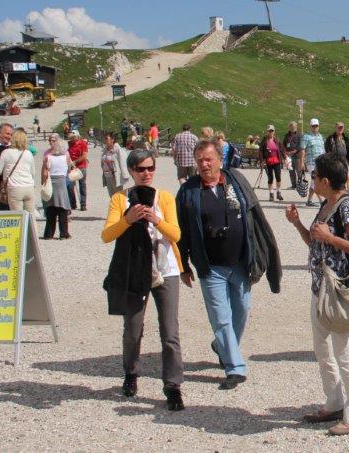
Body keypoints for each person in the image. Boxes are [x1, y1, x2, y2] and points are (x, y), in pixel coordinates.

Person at [176, 140, 281, 391]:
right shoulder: (189, 191)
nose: (204, 164)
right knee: (221, 318)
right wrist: (183, 265)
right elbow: (181, 231)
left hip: (241, 263)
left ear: (219, 160)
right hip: (210, 266)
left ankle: (220, 345)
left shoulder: (236, 181)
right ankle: (234, 367)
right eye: (200, 160)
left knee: (241, 312)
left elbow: (254, 215)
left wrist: (263, 251)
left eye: (208, 159)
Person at [285, 153, 349, 436]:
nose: (312, 181)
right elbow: (315, 243)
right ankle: (334, 402)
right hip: (320, 289)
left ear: (324, 180)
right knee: (322, 349)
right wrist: (298, 224)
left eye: (314, 176)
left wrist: (330, 238)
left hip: (340, 291)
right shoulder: (326, 204)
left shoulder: (348, 207)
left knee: (344, 352)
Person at [101, 149, 185, 411]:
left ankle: (173, 385)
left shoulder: (165, 198)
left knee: (170, 331)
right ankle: (131, 372)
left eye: (150, 168)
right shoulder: (120, 199)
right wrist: (128, 219)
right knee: (133, 328)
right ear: (131, 171)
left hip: (166, 269)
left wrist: (156, 219)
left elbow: (176, 234)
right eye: (140, 169)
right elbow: (107, 235)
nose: (146, 173)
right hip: (135, 270)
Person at [0, 129, 36, 213]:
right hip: (29, 187)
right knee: (31, 215)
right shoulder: (28, 153)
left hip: (15, 188)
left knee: (18, 215)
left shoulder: (6, 152)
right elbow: (33, 172)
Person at [41, 134, 75, 239]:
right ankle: (64, 233)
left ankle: (48, 234)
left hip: (51, 182)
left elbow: (45, 173)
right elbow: (70, 168)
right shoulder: (66, 156)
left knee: (51, 209)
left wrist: (43, 183)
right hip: (61, 183)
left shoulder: (48, 157)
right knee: (62, 209)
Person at [299, 118, 326, 207]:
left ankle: (309, 200)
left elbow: (323, 150)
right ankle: (322, 201)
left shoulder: (321, 137)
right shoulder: (306, 136)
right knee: (316, 179)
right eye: (313, 126)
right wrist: (302, 162)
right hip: (311, 162)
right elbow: (302, 149)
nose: (315, 127)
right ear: (310, 126)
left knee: (313, 181)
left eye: (316, 126)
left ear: (318, 126)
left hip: (321, 162)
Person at [259, 125, 284, 201]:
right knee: (270, 178)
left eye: (272, 131)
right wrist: (262, 161)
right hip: (268, 161)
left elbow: (282, 149)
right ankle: (271, 194)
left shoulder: (277, 140)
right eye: (269, 131)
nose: (271, 132)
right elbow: (260, 151)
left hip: (277, 161)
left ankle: (278, 192)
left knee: (278, 177)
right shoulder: (264, 140)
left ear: (274, 131)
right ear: (267, 131)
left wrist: (285, 157)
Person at [101, 132, 130, 197]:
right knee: (112, 196)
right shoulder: (104, 150)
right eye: (105, 138)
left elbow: (123, 163)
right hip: (107, 176)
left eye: (106, 138)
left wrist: (125, 176)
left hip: (116, 176)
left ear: (112, 139)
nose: (105, 140)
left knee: (119, 196)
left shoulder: (119, 150)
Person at [66, 130, 89, 211]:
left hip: (81, 166)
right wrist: (69, 162)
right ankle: (73, 203)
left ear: (77, 137)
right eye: (71, 138)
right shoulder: (68, 144)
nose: (72, 139)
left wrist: (75, 162)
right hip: (71, 167)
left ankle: (83, 204)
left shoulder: (83, 143)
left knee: (82, 185)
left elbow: (84, 156)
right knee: (70, 186)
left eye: (73, 138)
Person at [283, 121, 301, 188]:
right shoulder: (287, 135)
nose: (293, 128)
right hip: (289, 156)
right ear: (289, 127)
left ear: (296, 127)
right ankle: (293, 185)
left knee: (298, 171)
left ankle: (300, 185)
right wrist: (285, 152)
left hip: (296, 156)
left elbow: (300, 145)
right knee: (291, 171)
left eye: (294, 127)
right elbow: (284, 144)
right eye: (291, 127)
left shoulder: (299, 135)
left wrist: (295, 151)